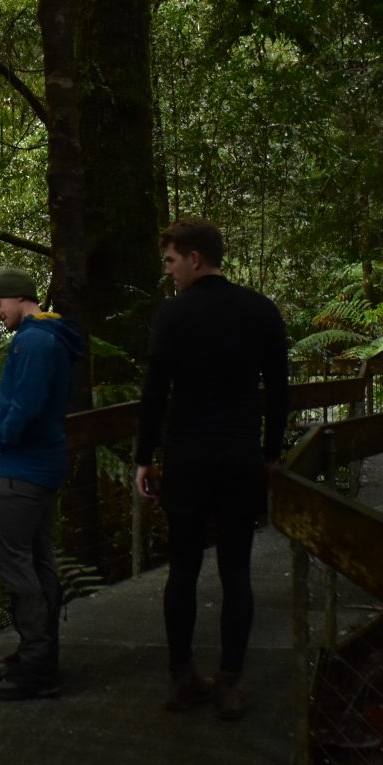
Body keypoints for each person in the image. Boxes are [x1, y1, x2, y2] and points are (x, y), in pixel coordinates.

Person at [134, 219, 289, 720]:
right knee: (236, 570)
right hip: (240, 458)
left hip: (187, 459)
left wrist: (143, 456)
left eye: (172, 261)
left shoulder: (173, 316)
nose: (170, 272)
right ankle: (229, 683)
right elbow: (279, 392)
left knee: (183, 569)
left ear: (195, 258)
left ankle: (182, 678)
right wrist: (271, 452)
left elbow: (155, 393)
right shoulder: (261, 311)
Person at [0, 265, 84, 700]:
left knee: (16, 566)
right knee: (37, 562)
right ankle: (37, 656)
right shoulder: (46, 336)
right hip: (38, 467)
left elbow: (25, 405)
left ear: (20, 297)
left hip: (22, 470)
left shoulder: (36, 341)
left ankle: (38, 667)